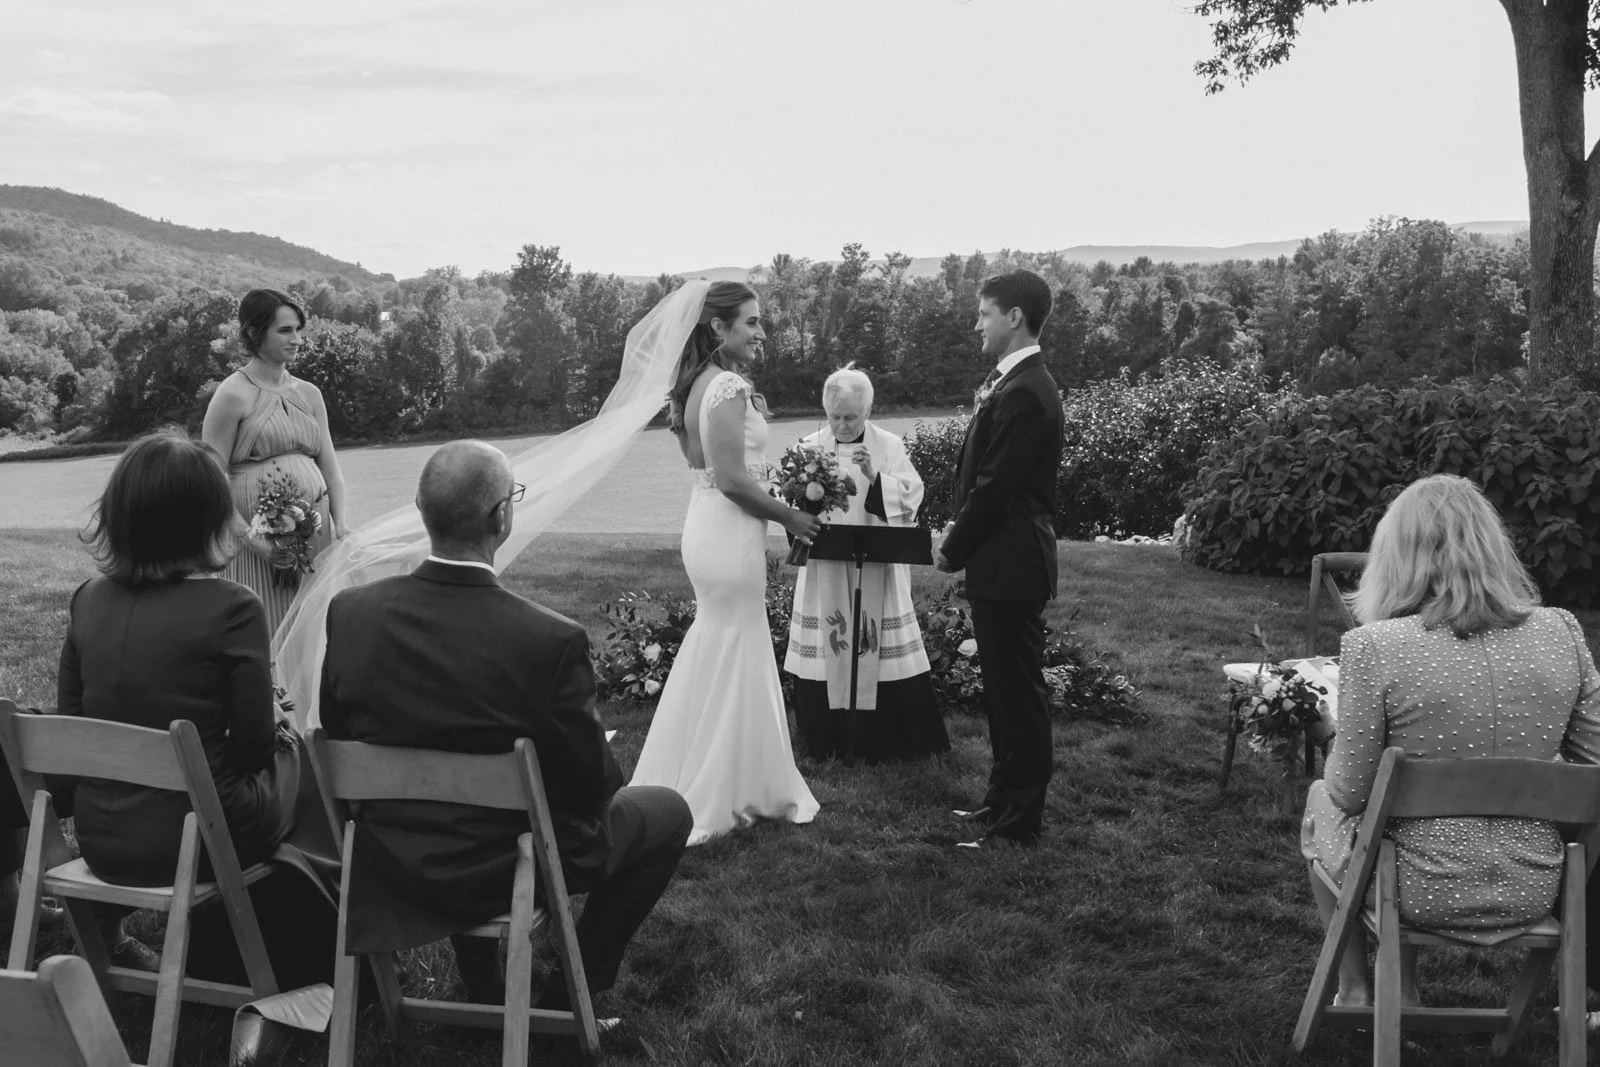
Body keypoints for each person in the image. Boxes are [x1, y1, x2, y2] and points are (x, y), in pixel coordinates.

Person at [318, 440, 692, 1013]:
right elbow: (593, 785)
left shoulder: (351, 612)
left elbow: (337, 732)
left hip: (391, 856)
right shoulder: (548, 639)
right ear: (502, 516)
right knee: (666, 812)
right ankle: (567, 1000)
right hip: (506, 864)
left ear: (422, 510)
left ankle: (486, 988)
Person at [0, 430, 338, 985]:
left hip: (103, 839)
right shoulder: (233, 607)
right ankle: (305, 954)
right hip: (206, 838)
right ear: (205, 518)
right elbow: (253, 749)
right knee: (299, 760)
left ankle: (106, 935)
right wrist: (276, 723)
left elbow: (76, 729)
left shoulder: (87, 599)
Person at [1302, 474, 1600, 1008]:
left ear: (1396, 555)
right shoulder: (1562, 631)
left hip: (1413, 886)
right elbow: (1596, 763)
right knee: (1391, 819)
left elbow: (1350, 792)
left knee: (1322, 801)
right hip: (1537, 883)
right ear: (1493, 546)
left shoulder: (1374, 645)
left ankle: (1354, 990)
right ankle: (1403, 992)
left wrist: (1330, 738)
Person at [629, 280, 822, 845]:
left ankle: (713, 775)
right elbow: (734, 480)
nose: (762, 332)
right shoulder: (729, 386)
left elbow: (706, 466)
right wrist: (792, 516)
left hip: (707, 527)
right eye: (752, 322)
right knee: (734, 642)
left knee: (722, 642)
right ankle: (721, 791)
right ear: (719, 327)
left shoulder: (695, 387)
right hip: (728, 530)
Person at [935, 269, 1063, 849]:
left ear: (1014, 317)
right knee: (1003, 692)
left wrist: (953, 546)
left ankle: (1020, 822)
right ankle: (999, 802)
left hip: (1013, 564)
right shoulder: (1012, 382)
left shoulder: (1028, 391)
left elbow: (996, 488)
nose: (977, 323)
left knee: (1019, 695)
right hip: (999, 564)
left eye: (985, 313)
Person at [783, 364, 949, 762]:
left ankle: (886, 736)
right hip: (826, 566)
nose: (840, 425)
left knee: (879, 640)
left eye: (850, 417)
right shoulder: (810, 445)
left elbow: (912, 495)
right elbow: (793, 504)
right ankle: (827, 737)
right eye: (834, 416)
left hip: (877, 564)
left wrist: (875, 476)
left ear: (867, 410)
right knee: (830, 636)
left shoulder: (887, 446)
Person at [203, 288, 349, 634]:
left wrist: (340, 522)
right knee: (265, 627)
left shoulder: (309, 394)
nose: (297, 339)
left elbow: (330, 465)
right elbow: (211, 480)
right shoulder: (232, 394)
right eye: (285, 330)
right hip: (253, 542)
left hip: (315, 534)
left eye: (299, 329)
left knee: (312, 630)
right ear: (254, 333)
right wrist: (256, 542)